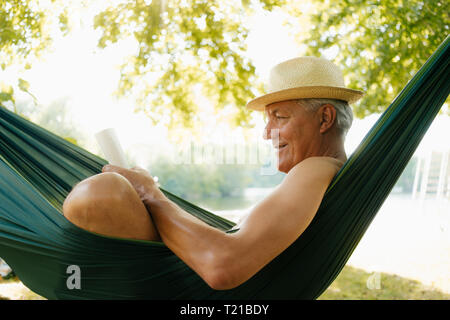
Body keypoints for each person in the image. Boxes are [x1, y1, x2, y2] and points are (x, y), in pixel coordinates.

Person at [62, 56, 363, 290]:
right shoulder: (330, 177)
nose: (266, 133)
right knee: (103, 193)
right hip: (194, 283)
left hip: (192, 291)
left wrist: (149, 193)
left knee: (100, 194)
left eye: (280, 117)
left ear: (325, 118)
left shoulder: (315, 168)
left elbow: (223, 266)